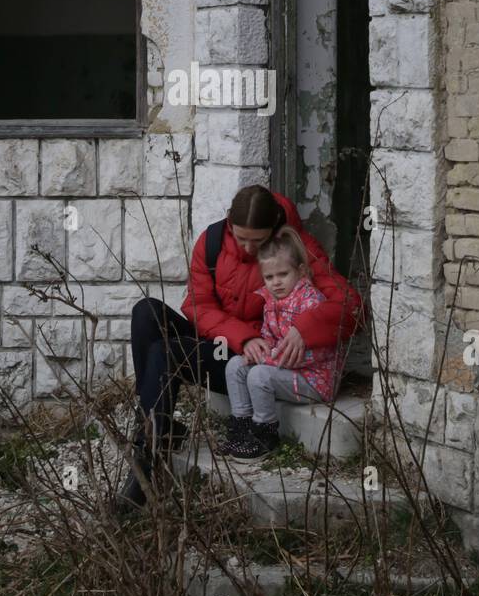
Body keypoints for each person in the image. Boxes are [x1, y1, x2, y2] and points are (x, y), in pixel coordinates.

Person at [118, 184, 361, 511]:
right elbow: (196, 305)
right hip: (224, 341)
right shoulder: (213, 241)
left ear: (273, 230)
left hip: (249, 360)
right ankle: (157, 427)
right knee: (145, 312)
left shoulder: (293, 247)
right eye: (240, 236)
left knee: (167, 353)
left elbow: (351, 306)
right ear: (230, 222)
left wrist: (304, 329)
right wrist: (239, 335)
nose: (246, 247)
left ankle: (144, 468)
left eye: (256, 241)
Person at [222, 226, 342, 459]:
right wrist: (258, 349)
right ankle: (242, 428)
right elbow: (269, 336)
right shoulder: (271, 302)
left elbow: (313, 354)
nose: (276, 283)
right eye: (269, 277)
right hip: (286, 371)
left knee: (259, 375)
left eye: (283, 275)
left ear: (301, 271)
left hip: (315, 379)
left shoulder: (311, 302)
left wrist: (266, 360)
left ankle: (264, 435)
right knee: (235, 365)